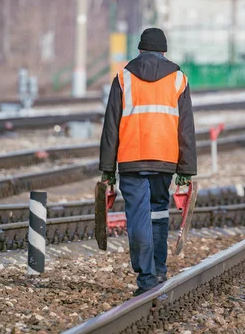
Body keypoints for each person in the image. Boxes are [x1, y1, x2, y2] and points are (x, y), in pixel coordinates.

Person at [99, 27, 197, 296]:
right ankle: (159, 269)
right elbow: (186, 128)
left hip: (131, 158)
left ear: (140, 49)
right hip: (165, 158)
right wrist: (186, 170)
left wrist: (107, 169)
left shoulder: (123, 77)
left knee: (138, 215)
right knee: (159, 212)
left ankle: (146, 277)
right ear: (164, 50)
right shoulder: (178, 79)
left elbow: (110, 126)